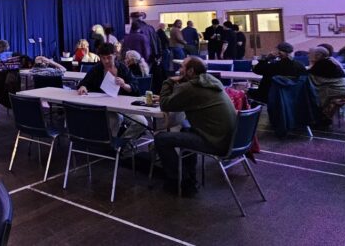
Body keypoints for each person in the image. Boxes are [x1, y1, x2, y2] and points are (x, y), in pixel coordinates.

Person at [155, 57, 237, 197]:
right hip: (232, 140)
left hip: (216, 142)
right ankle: (189, 177)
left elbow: (165, 104)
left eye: (182, 67)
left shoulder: (191, 88)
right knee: (186, 129)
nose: (179, 70)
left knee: (161, 139)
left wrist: (168, 81)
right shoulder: (211, 82)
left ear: (191, 71)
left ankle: (181, 182)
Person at [76, 43, 147, 139]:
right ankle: (111, 143)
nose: (106, 61)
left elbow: (135, 87)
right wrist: (83, 87)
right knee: (116, 119)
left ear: (115, 55)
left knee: (142, 123)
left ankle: (122, 143)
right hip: (104, 107)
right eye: (103, 58)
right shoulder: (97, 69)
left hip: (123, 106)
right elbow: (83, 83)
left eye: (109, 57)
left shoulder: (122, 68)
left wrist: (124, 85)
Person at [307, 47, 345, 128]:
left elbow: (310, 76)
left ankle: (320, 120)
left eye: (310, 54)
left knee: (313, 96)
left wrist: (311, 63)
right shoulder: (331, 60)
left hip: (338, 92)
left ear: (319, 55)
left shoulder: (322, 64)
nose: (308, 55)